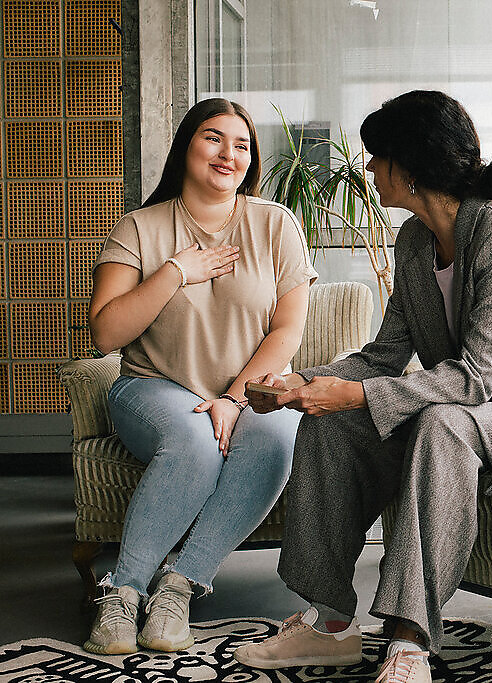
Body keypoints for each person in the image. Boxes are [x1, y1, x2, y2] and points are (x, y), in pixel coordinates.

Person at [232, 90, 492, 682]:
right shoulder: (413, 242)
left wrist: (357, 394)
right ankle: (330, 623)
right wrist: (304, 382)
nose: (368, 168)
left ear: (408, 165)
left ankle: (409, 642)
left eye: (376, 155)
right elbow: (384, 355)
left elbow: (479, 375)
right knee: (332, 424)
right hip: (470, 408)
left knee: (440, 424)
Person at [83, 98, 317, 655]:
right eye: (213, 137)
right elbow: (106, 334)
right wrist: (175, 271)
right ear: (186, 145)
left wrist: (234, 399)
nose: (228, 154)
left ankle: (179, 586)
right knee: (194, 441)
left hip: (251, 389)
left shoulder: (275, 224)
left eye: (242, 144)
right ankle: (122, 593)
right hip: (153, 386)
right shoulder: (139, 227)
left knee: (277, 435)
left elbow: (287, 330)